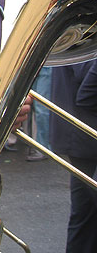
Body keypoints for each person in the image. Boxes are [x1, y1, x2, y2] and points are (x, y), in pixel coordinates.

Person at [50, 60, 97, 252]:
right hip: (85, 136)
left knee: (85, 217)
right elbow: (87, 94)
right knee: (85, 216)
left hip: (77, 134)